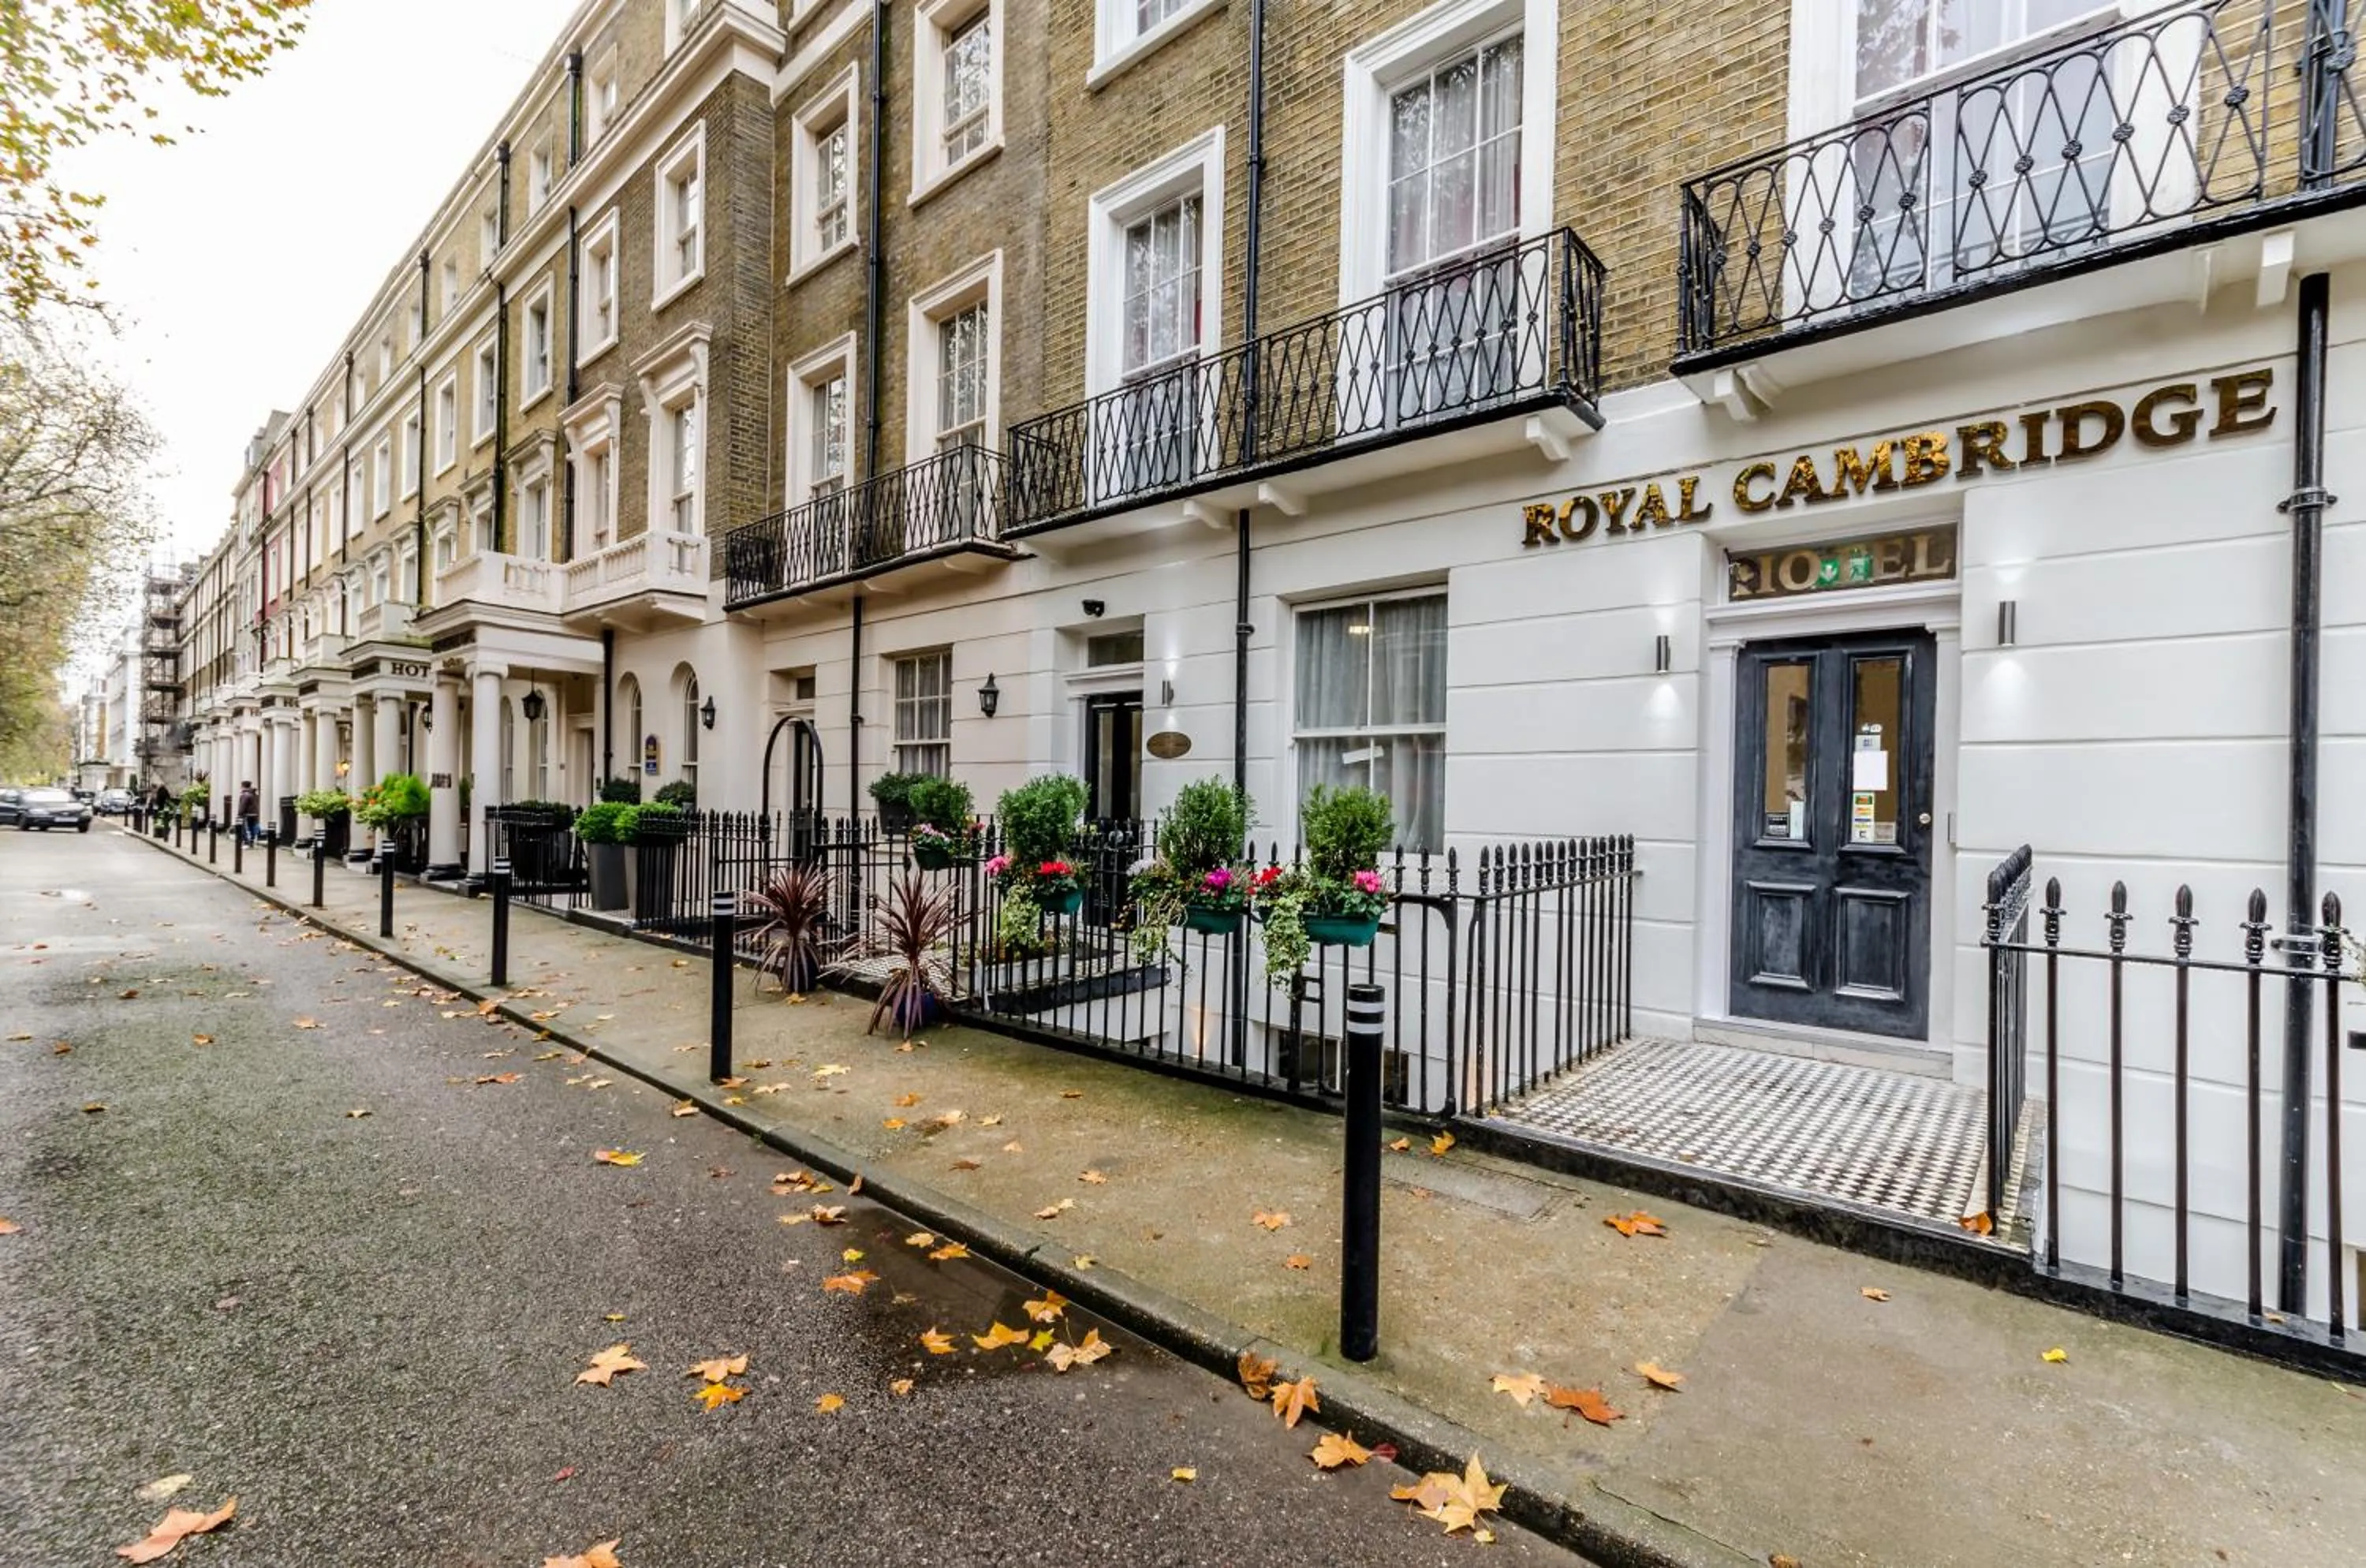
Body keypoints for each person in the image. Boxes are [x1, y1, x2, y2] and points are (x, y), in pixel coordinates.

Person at [237, 780, 259, 844]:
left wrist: (240, 814)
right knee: (252, 828)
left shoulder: (245, 795)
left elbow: (243, 805)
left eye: (241, 786)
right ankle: (252, 841)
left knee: (246, 829)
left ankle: (247, 842)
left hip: (247, 814)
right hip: (254, 814)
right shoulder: (254, 794)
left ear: (243, 786)